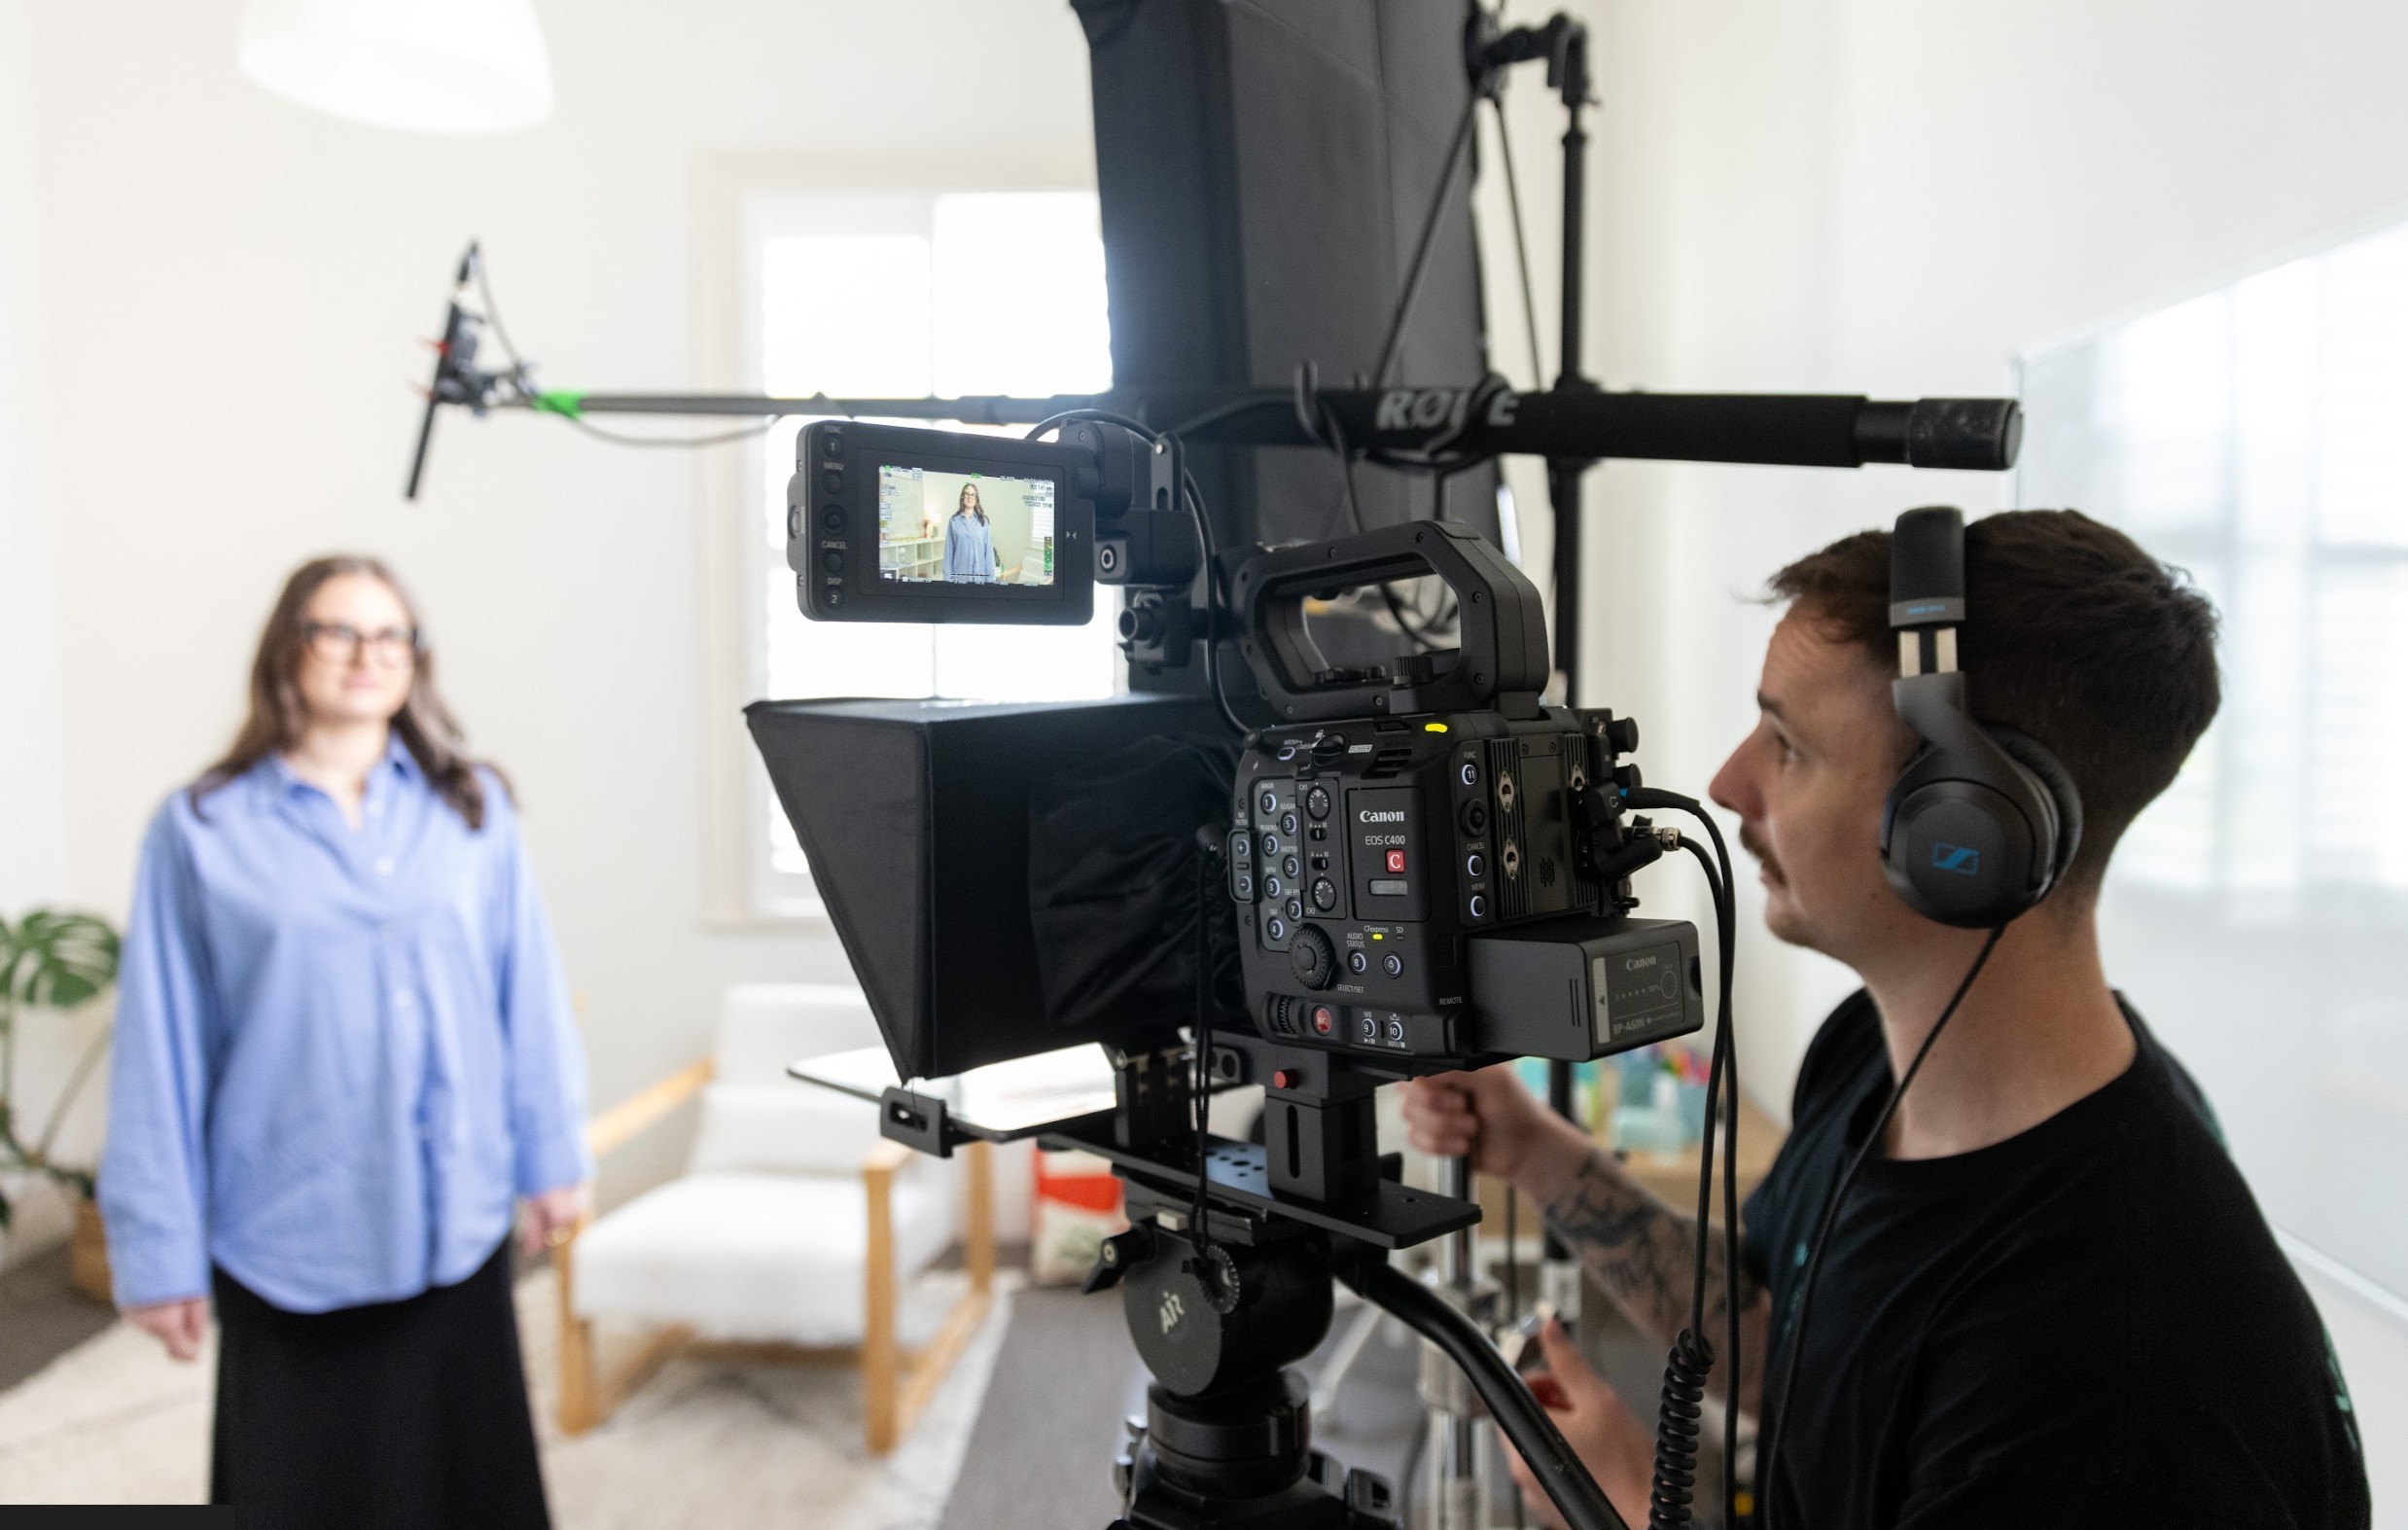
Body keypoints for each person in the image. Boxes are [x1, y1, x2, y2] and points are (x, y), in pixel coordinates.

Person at [1404, 511, 2369, 1529]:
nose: (1728, 784)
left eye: (1788, 745)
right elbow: (1782, 1340)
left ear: (1962, 828)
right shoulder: (1873, 1055)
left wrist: (1639, 1511)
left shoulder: (2108, 1375)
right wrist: (1534, 1149)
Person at [100, 555, 592, 1529]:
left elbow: (526, 997)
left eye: (391, 633)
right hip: (290, 1240)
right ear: (289, 647)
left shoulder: (472, 808)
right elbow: (159, 1054)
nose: (369, 654)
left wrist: (553, 1160)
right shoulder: (200, 828)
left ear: (416, 656)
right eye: (340, 630)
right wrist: (157, 1255)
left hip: (455, 1225)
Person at [943, 480, 999, 583]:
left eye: (973, 494)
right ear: (962, 497)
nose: (970, 497)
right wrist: (947, 579)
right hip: (959, 578)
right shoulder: (954, 521)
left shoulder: (983, 522)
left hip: (979, 579)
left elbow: (989, 553)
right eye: (967, 494)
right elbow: (948, 552)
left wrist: (990, 579)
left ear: (976, 499)